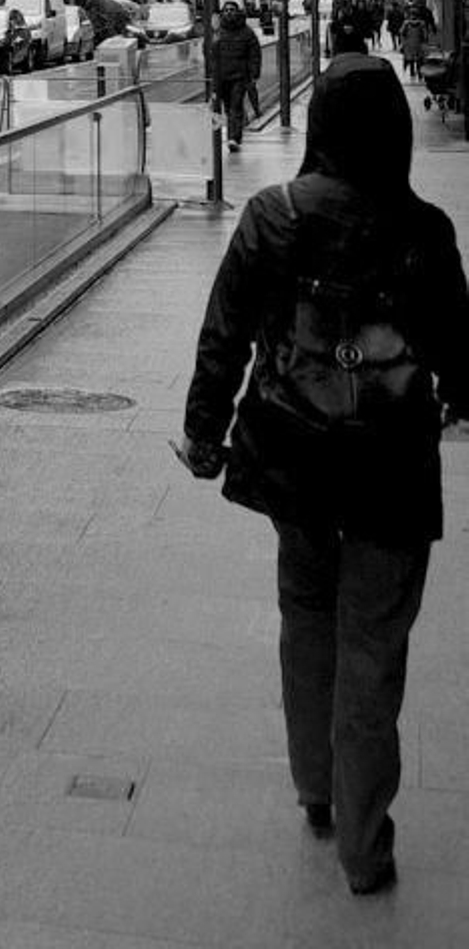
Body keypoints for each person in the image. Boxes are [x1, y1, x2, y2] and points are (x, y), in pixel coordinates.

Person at [177, 56, 469, 894]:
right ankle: (365, 846)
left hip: (293, 460)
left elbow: (223, 331)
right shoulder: (426, 232)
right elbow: (459, 353)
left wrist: (204, 433)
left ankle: (315, 788)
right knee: (373, 643)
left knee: (305, 616)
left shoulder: (275, 216)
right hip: (389, 473)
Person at [213, 0, 263, 150]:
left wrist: (254, 74)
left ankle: (233, 138)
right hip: (221, 77)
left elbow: (255, 54)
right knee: (227, 108)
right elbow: (209, 52)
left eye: (232, 9)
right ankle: (232, 136)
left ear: (237, 12)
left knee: (235, 107)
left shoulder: (247, 32)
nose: (229, 12)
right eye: (226, 10)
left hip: (239, 77)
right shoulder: (217, 32)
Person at [399, 5, 430, 81]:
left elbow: (401, 32)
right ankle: (419, 74)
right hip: (419, 44)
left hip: (409, 44)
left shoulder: (406, 23)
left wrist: (403, 42)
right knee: (419, 60)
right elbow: (425, 35)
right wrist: (424, 41)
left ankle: (412, 73)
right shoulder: (422, 23)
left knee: (411, 60)